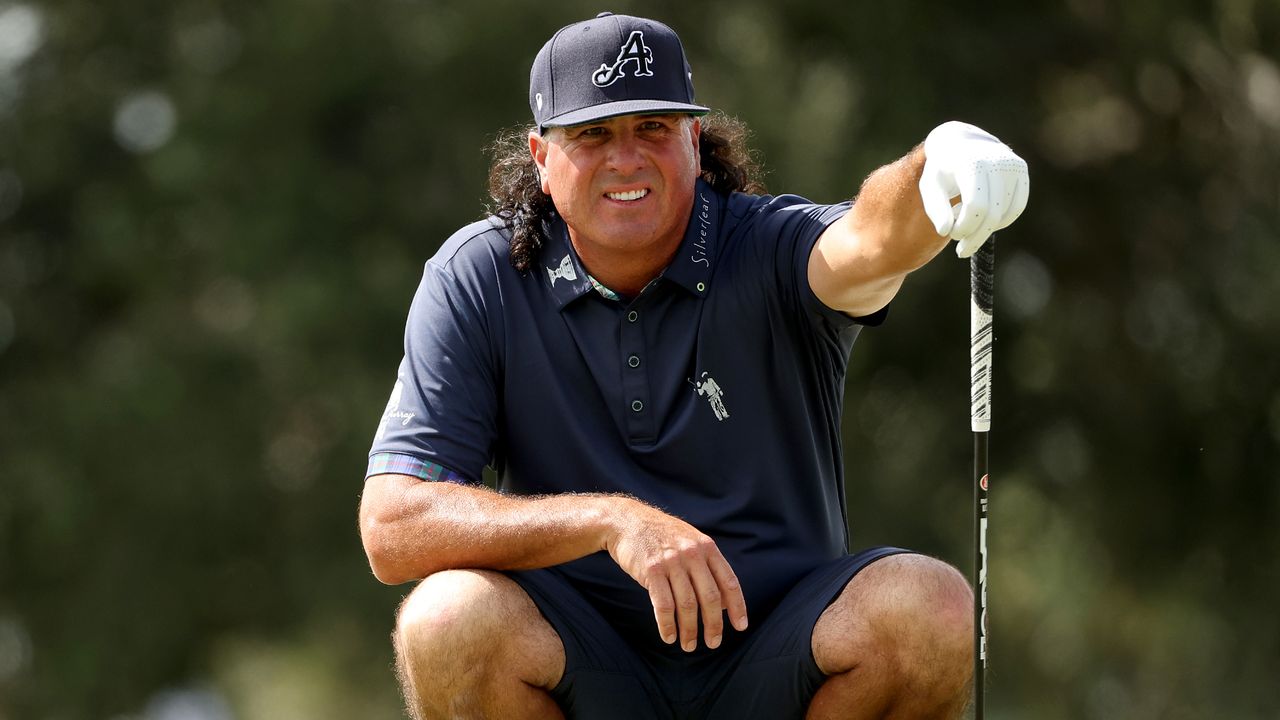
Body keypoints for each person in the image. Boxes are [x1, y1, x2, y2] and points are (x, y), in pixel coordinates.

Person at [359, 11, 1028, 720]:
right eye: (593, 133)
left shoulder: (769, 246)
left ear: (692, 140)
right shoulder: (480, 276)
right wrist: (611, 522)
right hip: (578, 670)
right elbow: (394, 526)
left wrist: (934, 174)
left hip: (781, 658)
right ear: (542, 158)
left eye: (653, 127)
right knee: (447, 620)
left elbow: (867, 241)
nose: (626, 157)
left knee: (930, 607)